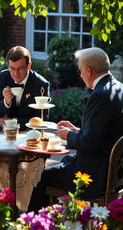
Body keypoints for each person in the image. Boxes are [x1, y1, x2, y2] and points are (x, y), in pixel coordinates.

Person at [28, 47, 123, 211]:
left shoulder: (100, 95)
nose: (80, 75)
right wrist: (77, 130)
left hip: (94, 176)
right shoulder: (119, 87)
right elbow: (104, 133)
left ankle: (37, 223)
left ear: (88, 70)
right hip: (115, 173)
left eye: (80, 71)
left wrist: (68, 135)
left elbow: (90, 142)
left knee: (39, 176)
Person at [0, 46, 50, 131]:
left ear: (29, 65)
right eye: (12, 68)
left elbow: (42, 119)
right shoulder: (4, 76)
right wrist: (6, 101)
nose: (16, 74)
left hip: (29, 130)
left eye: (20, 68)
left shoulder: (41, 84)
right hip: (4, 127)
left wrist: (12, 122)